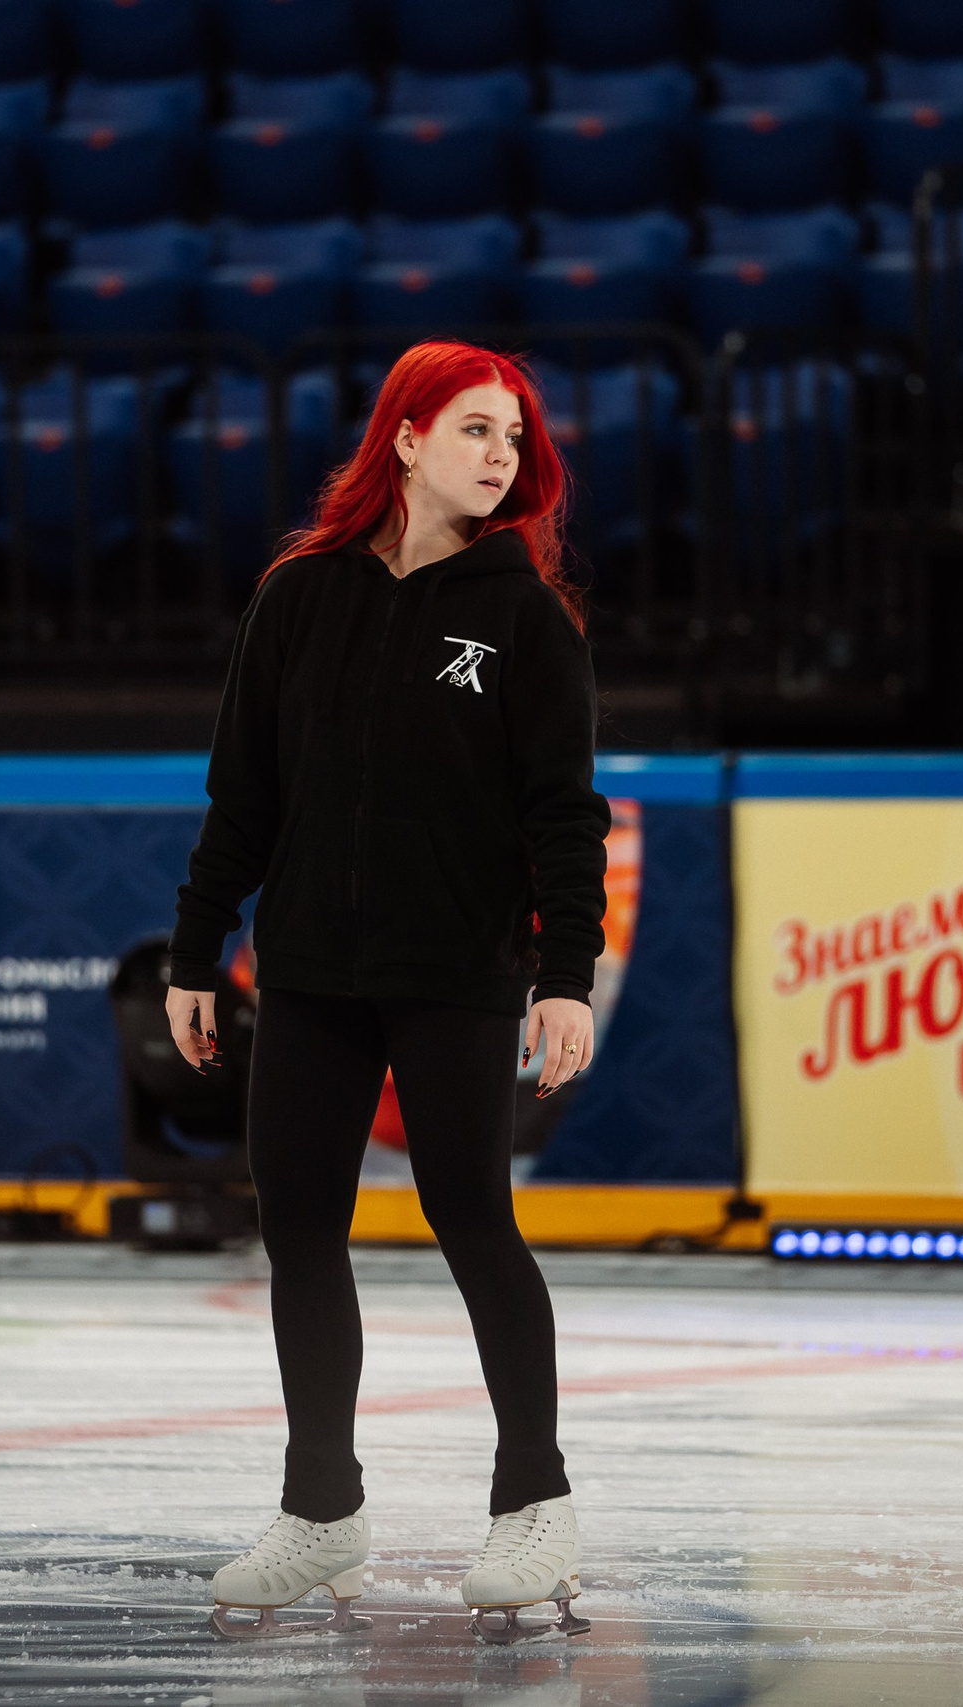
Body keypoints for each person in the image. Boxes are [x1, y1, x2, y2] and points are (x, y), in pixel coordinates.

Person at [165, 342, 609, 1642]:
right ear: (406, 438)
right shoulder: (298, 596)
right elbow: (242, 791)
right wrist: (199, 946)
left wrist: (565, 977)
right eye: (476, 429)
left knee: (472, 1213)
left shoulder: (526, 616)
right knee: (299, 1221)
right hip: (306, 967)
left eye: (515, 439)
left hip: (458, 971)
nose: (501, 455)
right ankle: (322, 1510)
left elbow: (563, 818)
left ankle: (537, 1501)